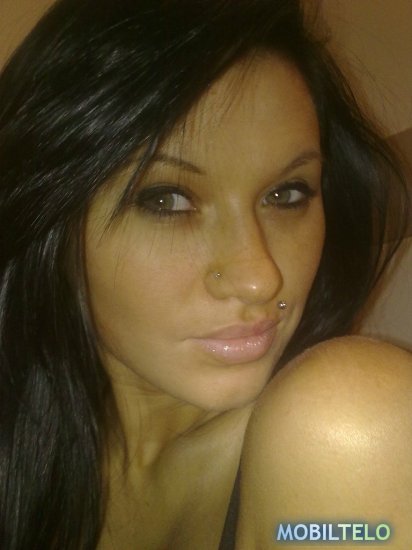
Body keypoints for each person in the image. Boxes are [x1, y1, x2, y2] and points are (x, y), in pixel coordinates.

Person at [0, 0, 411, 548]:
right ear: (52, 223)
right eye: (168, 200)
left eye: (286, 194)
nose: (259, 278)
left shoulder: (344, 430)